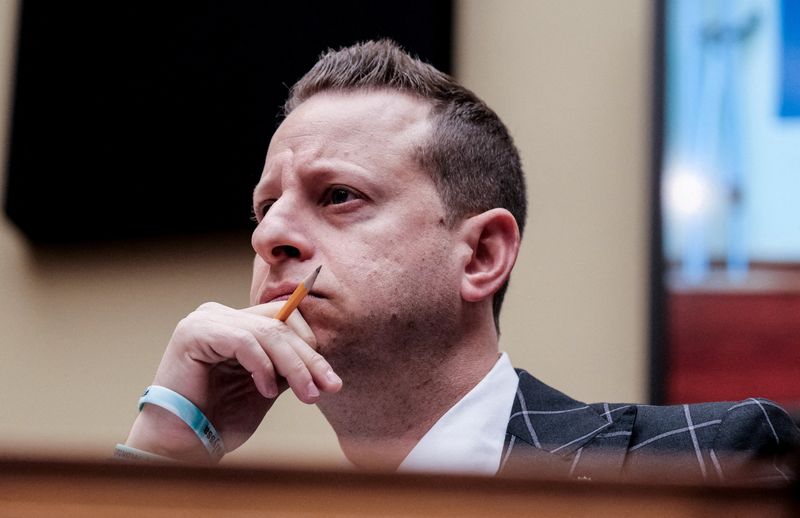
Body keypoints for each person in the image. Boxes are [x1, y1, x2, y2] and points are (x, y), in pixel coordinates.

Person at [119, 39, 799, 483]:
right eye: (264, 207)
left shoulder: (719, 459)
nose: (269, 237)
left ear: (480, 254)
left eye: (338, 196)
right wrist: (166, 449)